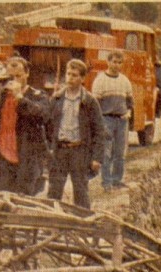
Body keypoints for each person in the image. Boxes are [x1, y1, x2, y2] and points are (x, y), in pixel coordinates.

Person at [0, 56, 49, 196]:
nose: (14, 80)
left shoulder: (37, 95)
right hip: (2, 155)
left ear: (27, 73)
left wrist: (20, 97)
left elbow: (42, 116)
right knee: (2, 197)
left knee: (25, 198)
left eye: (18, 76)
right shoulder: (1, 97)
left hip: (25, 157)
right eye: (10, 77)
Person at [47, 59, 104, 209]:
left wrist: (97, 157)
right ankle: (50, 224)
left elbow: (99, 130)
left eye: (75, 75)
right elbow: (47, 124)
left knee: (80, 190)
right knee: (54, 190)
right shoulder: (57, 99)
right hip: (59, 150)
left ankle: (83, 225)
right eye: (68, 74)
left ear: (83, 78)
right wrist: (49, 148)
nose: (70, 78)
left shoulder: (89, 101)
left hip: (79, 151)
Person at [91, 49, 133, 191]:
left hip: (121, 121)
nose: (116, 65)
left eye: (119, 62)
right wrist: (99, 122)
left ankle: (117, 180)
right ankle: (106, 182)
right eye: (114, 61)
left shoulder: (124, 80)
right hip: (106, 119)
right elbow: (95, 103)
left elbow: (129, 100)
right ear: (108, 62)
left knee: (120, 153)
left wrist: (128, 112)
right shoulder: (100, 80)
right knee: (106, 152)